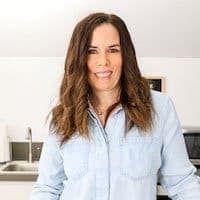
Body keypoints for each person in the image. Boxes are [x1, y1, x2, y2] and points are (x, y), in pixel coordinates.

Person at [30, 12, 200, 200]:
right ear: (79, 58)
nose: (103, 61)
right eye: (91, 51)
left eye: (113, 50)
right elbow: (47, 188)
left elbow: (183, 183)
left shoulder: (160, 108)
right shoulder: (63, 114)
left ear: (126, 55)